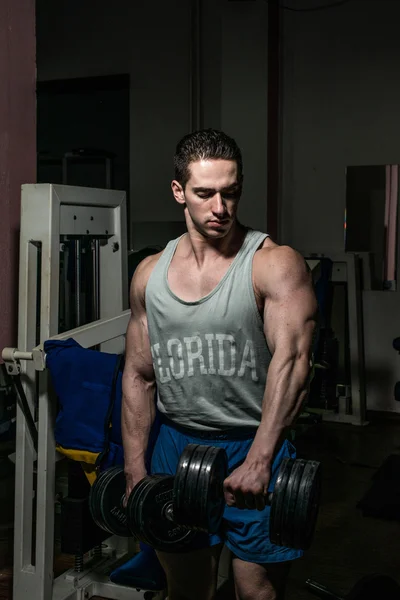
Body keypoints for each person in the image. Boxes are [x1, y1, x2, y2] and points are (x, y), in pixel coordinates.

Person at [121, 129, 318, 600]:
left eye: (230, 193)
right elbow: (138, 375)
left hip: (252, 443)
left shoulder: (273, 265)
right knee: (188, 591)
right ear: (178, 192)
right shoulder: (150, 273)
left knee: (257, 593)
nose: (219, 208)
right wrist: (133, 468)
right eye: (204, 193)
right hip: (176, 446)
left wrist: (261, 458)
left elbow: (292, 362)